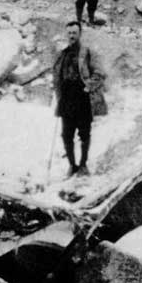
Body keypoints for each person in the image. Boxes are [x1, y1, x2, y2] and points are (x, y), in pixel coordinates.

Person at [53, 20, 107, 178]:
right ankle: (72, 165)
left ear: (80, 34)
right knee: (66, 135)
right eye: (69, 33)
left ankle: (83, 165)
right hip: (67, 100)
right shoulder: (62, 54)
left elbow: (100, 74)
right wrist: (59, 94)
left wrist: (88, 86)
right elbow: (57, 77)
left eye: (74, 33)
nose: (71, 36)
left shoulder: (87, 53)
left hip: (82, 99)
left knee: (84, 134)